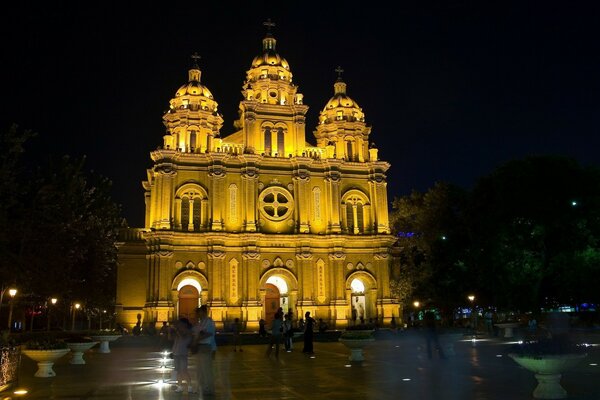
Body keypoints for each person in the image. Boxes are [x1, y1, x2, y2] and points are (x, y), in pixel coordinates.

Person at [191, 305, 216, 397]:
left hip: (206, 346)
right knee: (200, 369)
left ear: (203, 312)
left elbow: (209, 333)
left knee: (206, 370)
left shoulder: (209, 322)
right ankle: (203, 387)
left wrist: (196, 340)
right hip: (200, 347)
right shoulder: (201, 322)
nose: (197, 314)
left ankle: (209, 389)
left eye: (198, 312)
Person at [169, 318, 193, 394]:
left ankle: (190, 386)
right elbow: (170, 339)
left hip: (183, 353)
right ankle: (179, 386)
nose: (178, 325)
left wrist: (176, 330)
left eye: (180, 323)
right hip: (176, 353)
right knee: (178, 371)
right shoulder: (178, 332)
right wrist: (170, 332)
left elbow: (183, 338)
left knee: (184, 371)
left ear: (184, 324)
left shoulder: (188, 331)